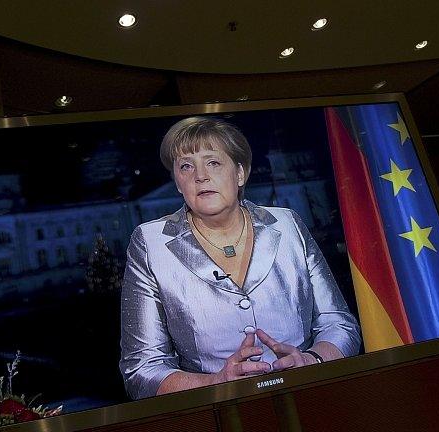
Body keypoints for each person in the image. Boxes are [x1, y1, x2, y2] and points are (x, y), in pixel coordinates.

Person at [119, 116, 361, 400]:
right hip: (218, 414)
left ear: (240, 173)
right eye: (186, 166)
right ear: (178, 183)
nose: (200, 176)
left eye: (213, 162)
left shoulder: (287, 224)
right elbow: (142, 369)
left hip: (311, 399)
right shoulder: (150, 242)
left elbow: (340, 325)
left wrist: (312, 361)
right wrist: (217, 383)